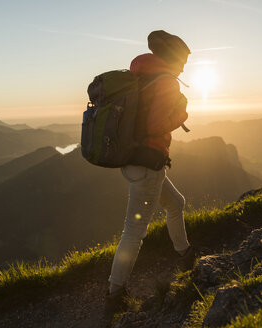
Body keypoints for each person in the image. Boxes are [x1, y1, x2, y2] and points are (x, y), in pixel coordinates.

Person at [104, 30, 193, 319]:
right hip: (148, 163)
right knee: (134, 232)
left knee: (175, 203)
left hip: (133, 160)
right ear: (173, 57)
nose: (183, 68)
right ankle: (115, 293)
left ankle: (184, 253)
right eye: (183, 61)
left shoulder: (141, 76)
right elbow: (155, 125)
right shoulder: (165, 81)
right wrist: (181, 114)